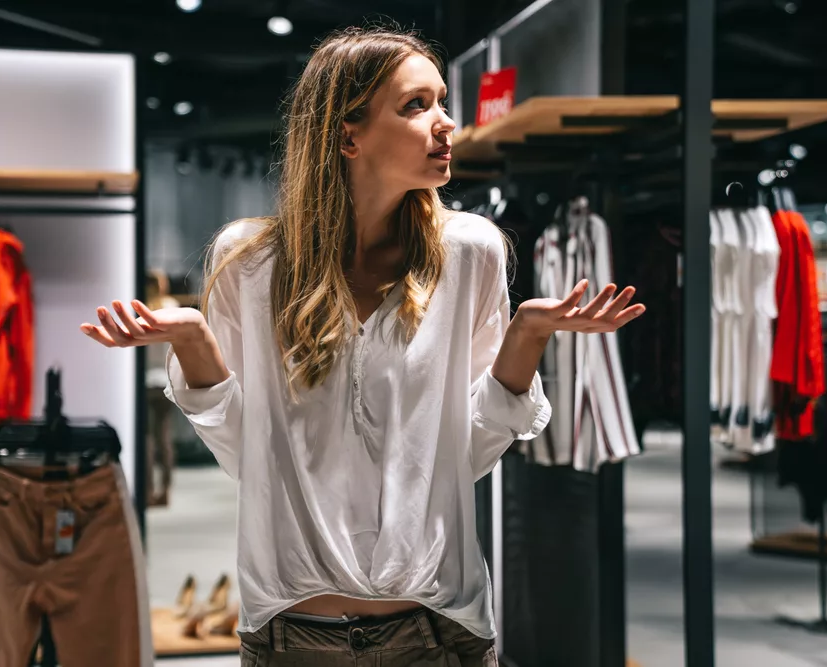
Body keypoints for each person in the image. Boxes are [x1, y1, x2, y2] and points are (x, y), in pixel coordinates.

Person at [81, 26, 644, 667]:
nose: (446, 124)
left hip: (438, 632)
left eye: (442, 102)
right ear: (347, 135)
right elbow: (250, 456)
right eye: (416, 105)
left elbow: (469, 452)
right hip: (294, 639)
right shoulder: (250, 263)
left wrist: (527, 336)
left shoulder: (470, 252)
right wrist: (194, 344)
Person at [143, 269, 179, 507]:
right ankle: (165, 489)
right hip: (166, 379)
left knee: (147, 438)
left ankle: (147, 490)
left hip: (146, 379)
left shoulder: (143, 310)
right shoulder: (173, 307)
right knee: (164, 435)